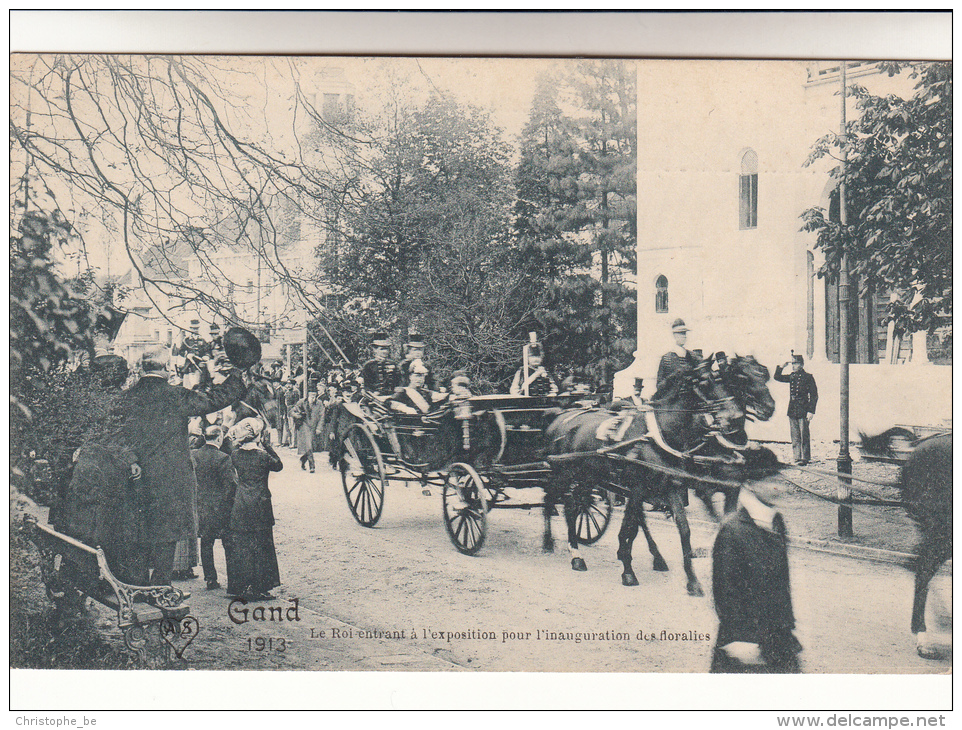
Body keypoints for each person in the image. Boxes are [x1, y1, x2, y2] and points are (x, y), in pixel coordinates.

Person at [102, 345, 249, 587]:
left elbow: (112, 435)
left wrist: (131, 460)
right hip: (170, 478)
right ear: (167, 369)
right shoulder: (176, 396)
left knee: (139, 530)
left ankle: (138, 584)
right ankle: (161, 584)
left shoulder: (125, 398)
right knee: (167, 533)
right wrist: (236, 375)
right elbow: (215, 399)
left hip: (133, 476)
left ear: (142, 368)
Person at [710, 481, 802, 673]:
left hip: (777, 637)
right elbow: (724, 590)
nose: (780, 485)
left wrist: (787, 628)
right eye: (769, 478)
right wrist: (739, 639)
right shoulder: (733, 530)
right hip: (744, 645)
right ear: (751, 484)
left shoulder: (776, 522)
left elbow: (781, 586)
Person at [224, 418, 282, 600]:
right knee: (262, 546)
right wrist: (268, 445)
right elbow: (279, 465)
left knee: (242, 546)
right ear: (257, 436)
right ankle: (260, 587)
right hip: (261, 504)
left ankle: (240, 586)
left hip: (241, 503)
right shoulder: (263, 456)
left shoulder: (235, 455)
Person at [190, 424, 237, 590]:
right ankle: (233, 579)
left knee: (206, 543)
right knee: (228, 544)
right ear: (219, 438)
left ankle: (210, 578)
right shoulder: (223, 457)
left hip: (201, 507)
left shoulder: (194, 454)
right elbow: (230, 486)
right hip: (220, 508)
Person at [773, 354, 818, 465]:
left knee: (804, 435)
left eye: (796, 363)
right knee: (795, 435)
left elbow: (814, 395)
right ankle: (797, 457)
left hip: (804, 408)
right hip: (792, 408)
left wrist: (811, 411)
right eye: (792, 363)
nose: (793, 366)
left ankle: (805, 458)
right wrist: (781, 367)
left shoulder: (808, 377)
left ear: (801, 364)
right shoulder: (792, 376)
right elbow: (777, 377)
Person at [656, 318, 699, 395]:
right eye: (681, 334)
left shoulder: (692, 356)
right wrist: (673, 376)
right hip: (673, 398)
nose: (684, 336)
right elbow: (659, 385)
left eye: (684, 333)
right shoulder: (667, 358)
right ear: (675, 336)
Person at [291, 388, 323, 472]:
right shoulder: (302, 402)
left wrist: (319, 428)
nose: (313, 396)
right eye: (311, 394)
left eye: (314, 394)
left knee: (311, 446)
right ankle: (312, 466)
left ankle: (303, 459)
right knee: (309, 445)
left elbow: (322, 416)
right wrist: (298, 415)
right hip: (304, 426)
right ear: (308, 394)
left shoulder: (319, 403)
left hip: (314, 427)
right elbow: (292, 411)